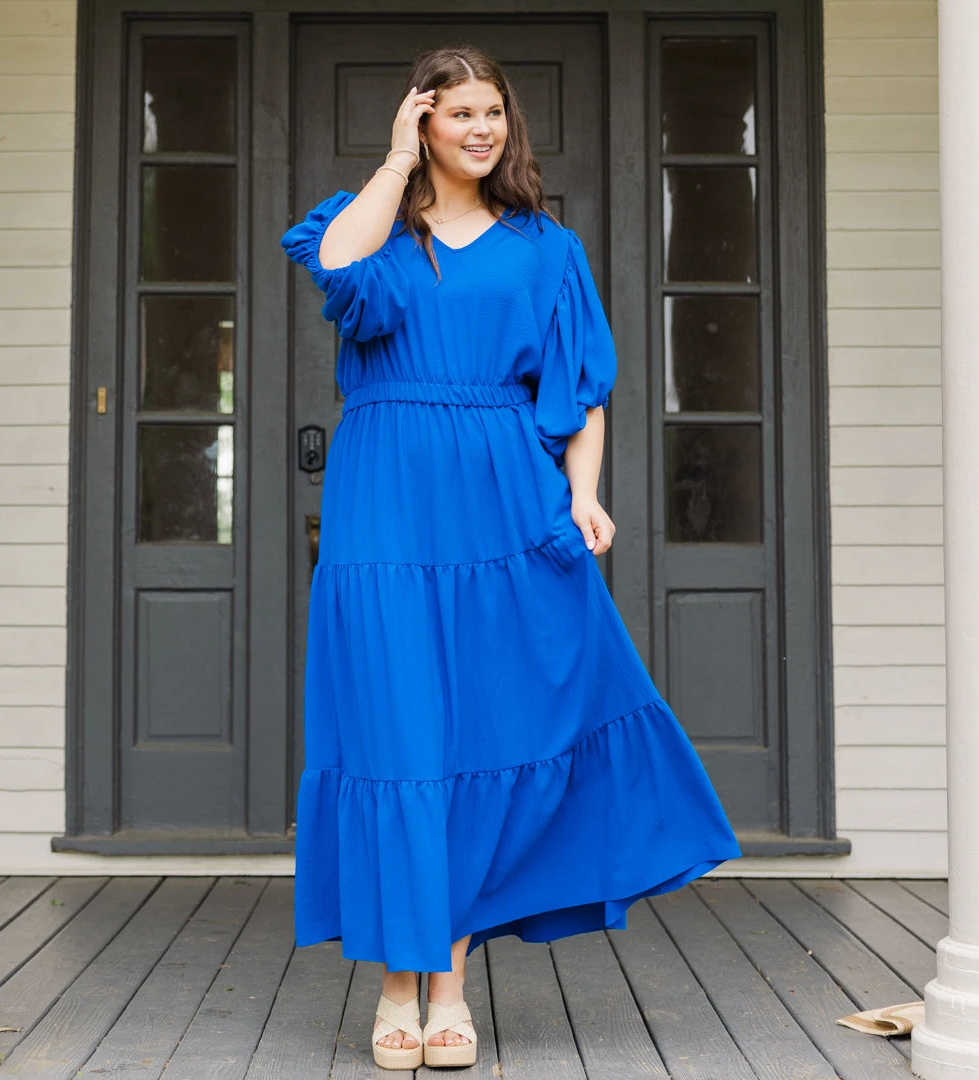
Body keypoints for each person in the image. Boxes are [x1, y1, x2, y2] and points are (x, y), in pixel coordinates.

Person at [280, 44, 742, 1071]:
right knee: (397, 737)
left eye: (493, 111)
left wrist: (583, 495)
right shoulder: (374, 228)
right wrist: (394, 163)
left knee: (486, 730)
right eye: (459, 113)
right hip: (385, 507)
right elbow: (339, 267)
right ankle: (394, 982)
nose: (481, 128)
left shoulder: (547, 248)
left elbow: (582, 392)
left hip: (503, 503)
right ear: (423, 122)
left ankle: (445, 984)